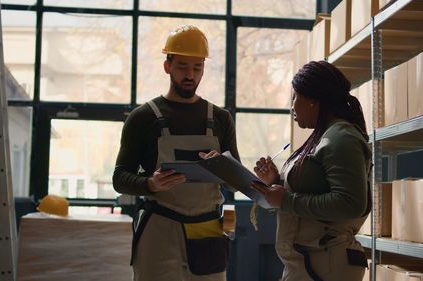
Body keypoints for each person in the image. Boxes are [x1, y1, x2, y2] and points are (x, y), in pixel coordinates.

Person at [113, 25, 239, 281]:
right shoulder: (143, 117)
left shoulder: (221, 119)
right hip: (160, 227)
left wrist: (224, 169)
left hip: (208, 230)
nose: (190, 75)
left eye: (197, 67)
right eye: (182, 66)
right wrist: (149, 184)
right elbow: (119, 178)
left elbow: (235, 182)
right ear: (167, 66)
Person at [250, 60, 372, 281]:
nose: (292, 106)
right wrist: (276, 181)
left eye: (295, 97)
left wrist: (286, 200)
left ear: (314, 100)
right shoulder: (325, 135)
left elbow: (351, 204)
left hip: (326, 265)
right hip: (309, 263)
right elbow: (314, 189)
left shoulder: (340, 137)